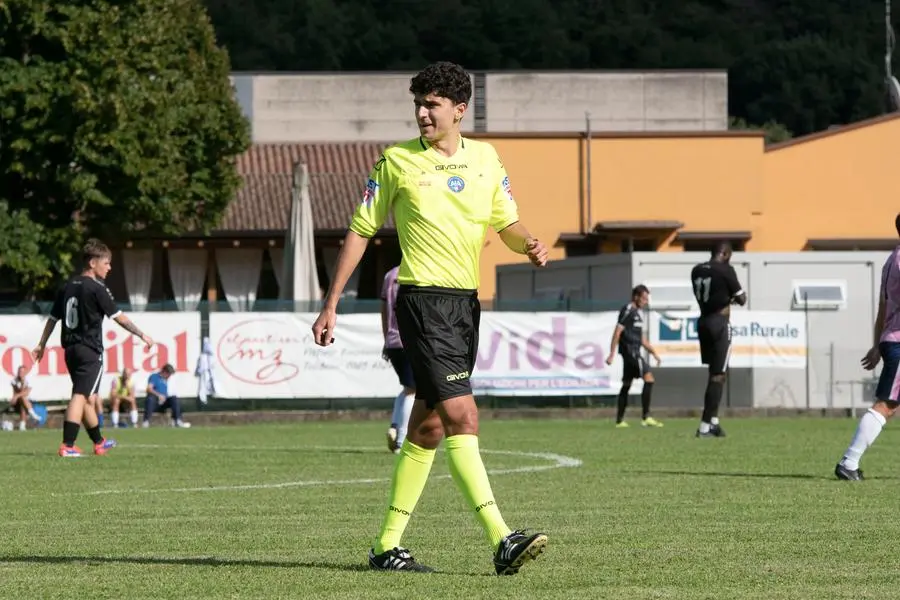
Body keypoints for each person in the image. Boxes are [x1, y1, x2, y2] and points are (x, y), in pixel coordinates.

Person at [311, 61, 550, 575]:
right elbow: (360, 229)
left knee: (430, 428)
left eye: (432, 104)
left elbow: (505, 221)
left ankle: (385, 546)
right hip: (422, 302)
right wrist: (331, 302)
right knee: (464, 415)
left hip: (465, 303)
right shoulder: (396, 160)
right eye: (418, 104)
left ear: (459, 110)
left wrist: (526, 242)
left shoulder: (486, 158)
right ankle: (501, 538)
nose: (422, 113)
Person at [31, 238, 154, 457]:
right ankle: (67, 445)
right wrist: (142, 334)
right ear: (92, 263)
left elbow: (52, 319)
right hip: (89, 350)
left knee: (88, 397)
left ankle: (99, 442)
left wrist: (41, 344)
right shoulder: (98, 288)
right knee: (80, 395)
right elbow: (119, 318)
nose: (109, 267)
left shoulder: (67, 286)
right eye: (106, 263)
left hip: (70, 350)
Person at [835, 213, 900, 480]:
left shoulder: (891, 259)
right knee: (887, 404)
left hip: (891, 337)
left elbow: (883, 307)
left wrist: (877, 344)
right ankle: (849, 462)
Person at [689, 242, 747, 438]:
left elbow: (709, 294)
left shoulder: (696, 270)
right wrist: (730, 297)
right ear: (725, 253)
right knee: (718, 374)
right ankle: (705, 426)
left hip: (703, 321)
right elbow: (741, 298)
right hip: (720, 323)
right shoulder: (726, 270)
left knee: (715, 372)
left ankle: (713, 421)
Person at [605, 285, 663, 428]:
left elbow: (642, 340)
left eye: (647, 299)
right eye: (644, 298)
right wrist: (612, 353)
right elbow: (618, 331)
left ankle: (619, 421)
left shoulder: (638, 314)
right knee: (649, 378)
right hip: (631, 352)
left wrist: (654, 352)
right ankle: (646, 417)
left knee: (626, 385)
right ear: (636, 297)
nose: (646, 302)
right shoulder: (628, 310)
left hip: (633, 352)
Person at [382, 263, 415, 454]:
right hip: (410, 339)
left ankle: (395, 425)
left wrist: (386, 339)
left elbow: (383, 309)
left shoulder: (389, 275)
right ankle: (402, 441)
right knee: (414, 392)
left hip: (393, 340)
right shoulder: (417, 271)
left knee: (407, 388)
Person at [143, 364, 191, 428]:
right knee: (150, 399)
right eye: (169, 374)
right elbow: (149, 389)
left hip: (164, 402)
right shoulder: (154, 377)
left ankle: (177, 420)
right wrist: (158, 395)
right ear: (164, 372)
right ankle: (146, 421)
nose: (169, 376)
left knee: (174, 399)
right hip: (155, 402)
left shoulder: (167, 380)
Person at [10, 366, 41, 431]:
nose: (20, 373)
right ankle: (33, 416)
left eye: (22, 372)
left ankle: (22, 425)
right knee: (22, 400)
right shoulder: (14, 381)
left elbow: (27, 392)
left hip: (30, 401)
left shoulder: (29, 380)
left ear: (25, 372)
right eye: (19, 371)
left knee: (23, 399)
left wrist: (16, 396)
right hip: (19, 402)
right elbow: (15, 392)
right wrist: (15, 397)